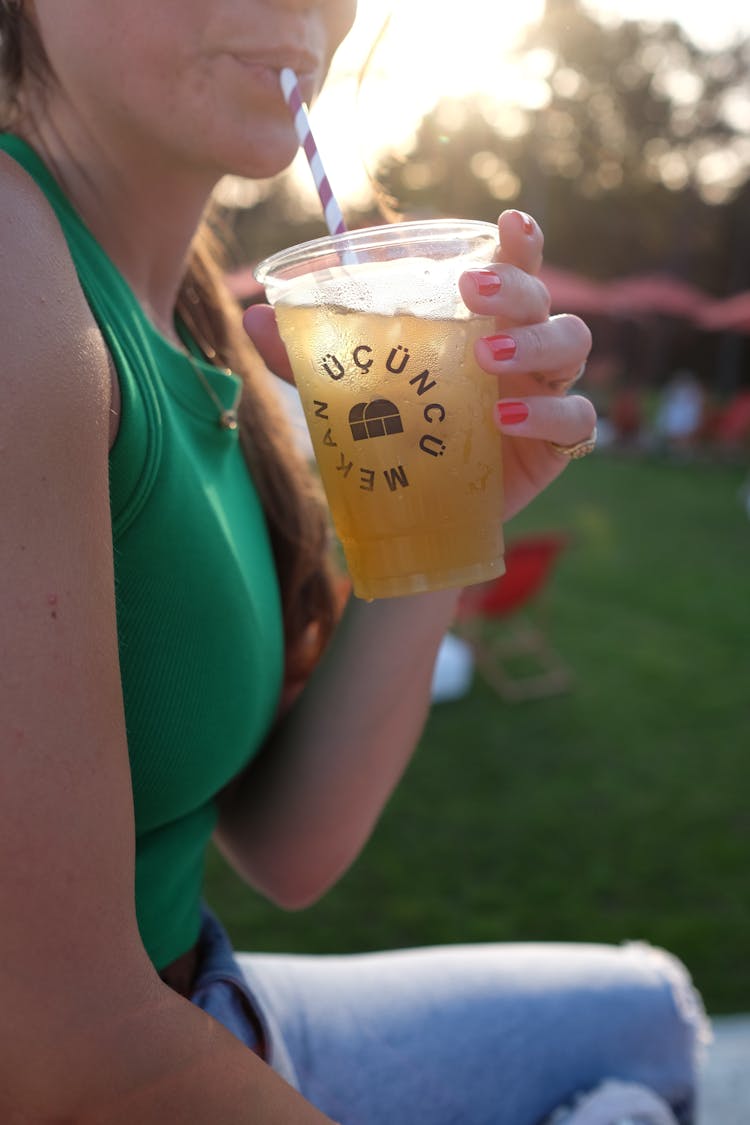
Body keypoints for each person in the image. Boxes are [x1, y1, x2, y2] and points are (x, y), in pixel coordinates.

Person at [0, 3, 709, 1123]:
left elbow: (290, 843)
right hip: (128, 1064)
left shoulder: (190, 306)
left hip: (199, 1000)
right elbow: (65, 1059)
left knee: (648, 1016)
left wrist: (452, 506)